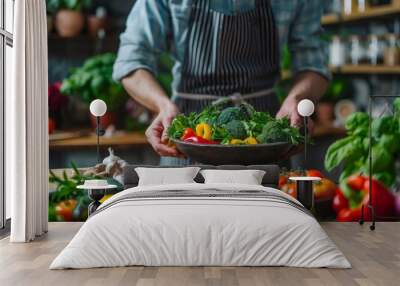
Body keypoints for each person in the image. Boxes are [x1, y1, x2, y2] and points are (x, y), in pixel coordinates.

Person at [113, 0, 329, 165]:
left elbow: (314, 64)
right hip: (188, 134)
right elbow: (131, 60)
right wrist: (162, 105)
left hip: (264, 137)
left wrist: (297, 99)